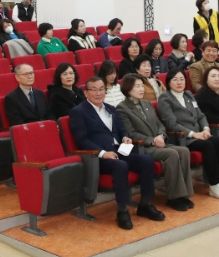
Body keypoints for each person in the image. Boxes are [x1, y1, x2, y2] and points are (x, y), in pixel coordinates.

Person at [69, 77, 165, 230]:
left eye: (101, 89)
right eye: (94, 89)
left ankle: (145, 204)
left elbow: (121, 130)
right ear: (86, 93)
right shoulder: (78, 112)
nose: (98, 93)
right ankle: (122, 210)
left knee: (146, 160)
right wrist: (103, 153)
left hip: (119, 150)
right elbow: (82, 140)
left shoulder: (110, 108)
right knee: (120, 165)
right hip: (98, 156)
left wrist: (125, 137)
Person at [157, 68, 219, 200]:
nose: (179, 82)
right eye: (175, 79)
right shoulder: (165, 98)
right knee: (208, 145)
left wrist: (206, 129)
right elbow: (171, 124)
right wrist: (193, 134)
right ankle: (214, 184)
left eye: (182, 79)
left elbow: (201, 116)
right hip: (181, 138)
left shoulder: (188, 95)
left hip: (199, 134)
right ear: (168, 82)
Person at [117, 74, 193, 211]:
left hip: (158, 142)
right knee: (171, 154)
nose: (142, 89)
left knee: (184, 151)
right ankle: (174, 197)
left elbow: (160, 124)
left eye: (142, 86)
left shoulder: (147, 103)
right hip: (142, 147)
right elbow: (131, 133)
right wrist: (152, 141)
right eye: (137, 86)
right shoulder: (122, 108)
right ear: (128, 88)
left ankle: (184, 194)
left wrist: (161, 136)